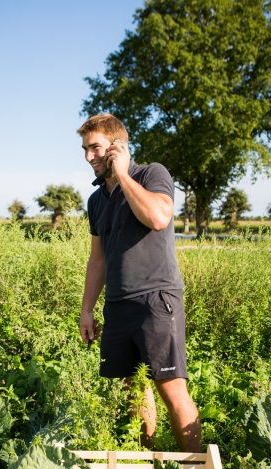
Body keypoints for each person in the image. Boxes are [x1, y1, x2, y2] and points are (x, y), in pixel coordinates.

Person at [77, 113, 201, 452]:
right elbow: (97, 259)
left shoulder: (151, 174)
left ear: (117, 147)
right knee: (134, 388)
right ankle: (145, 466)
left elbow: (158, 217)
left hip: (156, 298)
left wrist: (122, 174)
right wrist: (87, 310)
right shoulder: (96, 199)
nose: (90, 157)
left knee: (170, 388)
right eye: (86, 150)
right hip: (118, 304)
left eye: (96, 148)